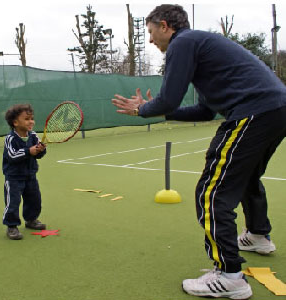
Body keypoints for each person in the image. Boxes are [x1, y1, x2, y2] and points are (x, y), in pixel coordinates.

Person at [112, 4, 286, 299]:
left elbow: (167, 100)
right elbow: (206, 111)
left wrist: (144, 109)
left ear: (165, 26)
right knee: (245, 178)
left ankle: (230, 276)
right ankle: (258, 235)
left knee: (211, 193)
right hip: (275, 109)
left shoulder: (183, 43)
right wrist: (160, 113)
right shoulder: (202, 51)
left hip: (254, 112)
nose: (152, 41)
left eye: (152, 33)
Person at [3, 104, 47, 240]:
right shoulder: (10, 138)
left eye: (32, 118)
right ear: (15, 123)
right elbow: (12, 156)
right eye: (27, 119)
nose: (31, 121)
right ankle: (12, 226)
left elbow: (39, 154)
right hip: (14, 177)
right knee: (13, 202)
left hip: (31, 175)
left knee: (34, 199)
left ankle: (31, 220)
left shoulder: (33, 136)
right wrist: (29, 151)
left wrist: (41, 150)